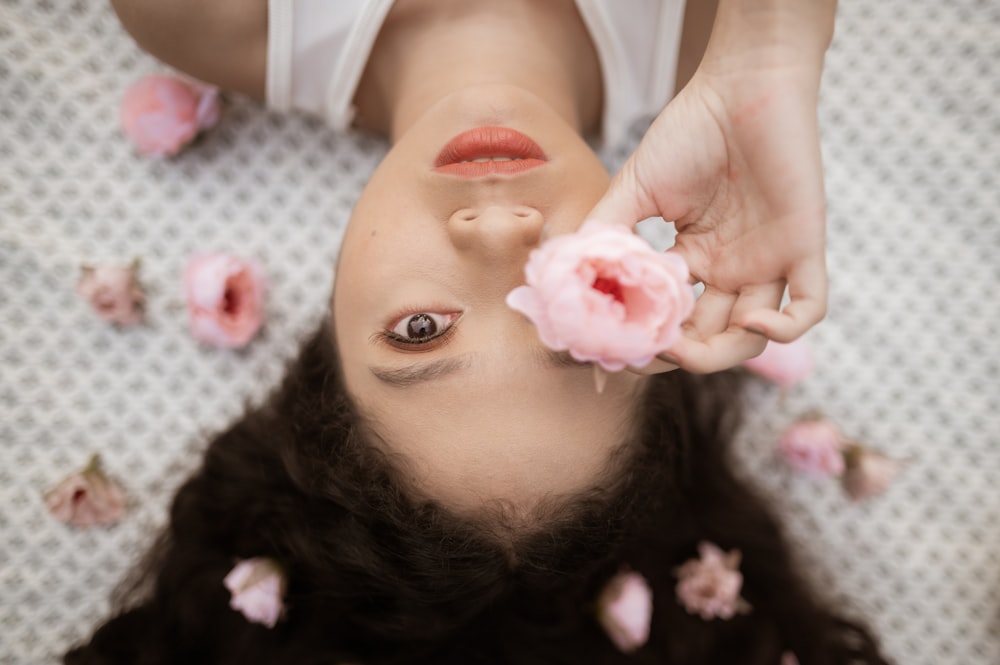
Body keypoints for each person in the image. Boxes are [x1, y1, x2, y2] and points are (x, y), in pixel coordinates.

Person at [66, 1, 881, 663]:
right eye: (572, 326)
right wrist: (769, 48)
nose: (499, 234)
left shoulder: (206, 15)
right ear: (660, 301)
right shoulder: (727, 30)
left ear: (330, 328)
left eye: (421, 329)